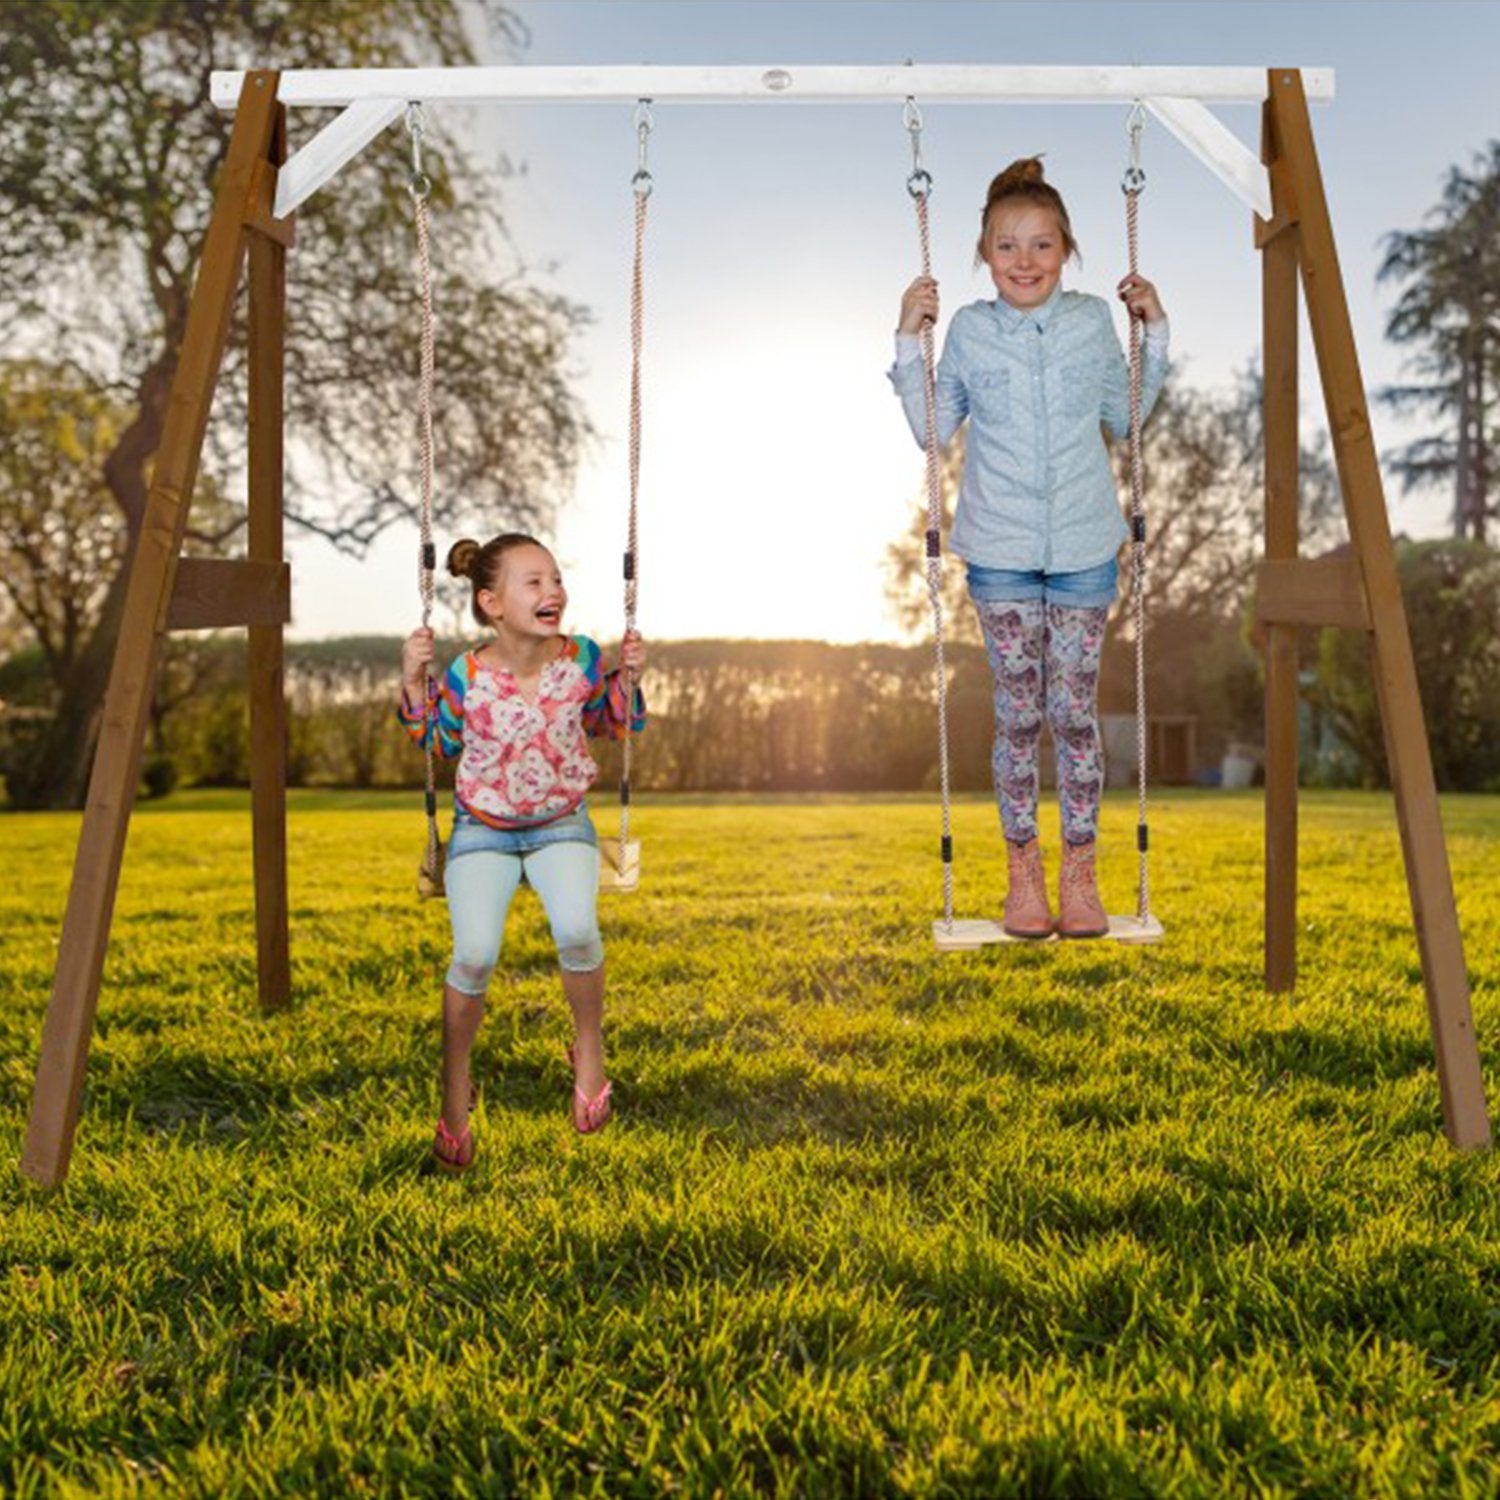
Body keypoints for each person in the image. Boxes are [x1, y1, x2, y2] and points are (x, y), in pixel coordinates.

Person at [890, 157, 1168, 939]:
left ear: (1066, 249)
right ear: (984, 254)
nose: (1023, 260)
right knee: (1018, 716)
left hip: (1083, 544)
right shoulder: (972, 331)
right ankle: (1024, 879)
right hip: (1001, 550)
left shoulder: (1089, 321)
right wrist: (909, 339)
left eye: (1041, 244)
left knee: (1073, 715)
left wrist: (1155, 329)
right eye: (1006, 245)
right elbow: (931, 427)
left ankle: (1081, 877)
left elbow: (1128, 416)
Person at [399, 533, 645, 1171]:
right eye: (533, 582)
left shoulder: (582, 659)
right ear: (492, 603)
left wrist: (628, 678)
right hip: (483, 827)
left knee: (579, 932)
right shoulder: (465, 675)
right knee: (475, 955)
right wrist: (410, 676)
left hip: (562, 821)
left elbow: (611, 721)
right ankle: (456, 1085)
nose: (553, 592)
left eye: (556, 579)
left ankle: (587, 1052)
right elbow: (434, 737)